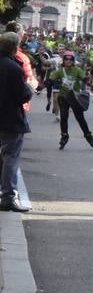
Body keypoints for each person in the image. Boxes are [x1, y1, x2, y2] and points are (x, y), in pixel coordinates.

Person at [0, 31, 33, 212]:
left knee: (5, 157)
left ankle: (6, 193)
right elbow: (23, 95)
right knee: (10, 158)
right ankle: (8, 196)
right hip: (10, 119)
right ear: (14, 48)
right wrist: (29, 87)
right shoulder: (13, 68)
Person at [49, 52, 93, 149]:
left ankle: (88, 136)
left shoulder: (77, 70)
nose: (68, 61)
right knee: (64, 117)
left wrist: (89, 83)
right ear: (64, 60)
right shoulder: (60, 71)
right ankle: (64, 136)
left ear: (73, 61)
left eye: (71, 59)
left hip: (74, 98)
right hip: (63, 97)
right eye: (66, 59)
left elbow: (84, 78)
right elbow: (50, 80)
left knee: (80, 118)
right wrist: (39, 87)